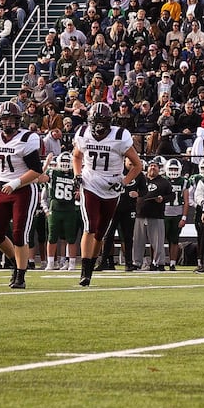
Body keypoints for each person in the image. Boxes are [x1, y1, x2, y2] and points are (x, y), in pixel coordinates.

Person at [0, 103, 46, 289]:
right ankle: (16, 260)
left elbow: (36, 171)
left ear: (18, 120)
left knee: (19, 233)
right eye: (4, 119)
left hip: (23, 189)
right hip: (2, 188)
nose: (8, 123)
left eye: (11, 119)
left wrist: (15, 183)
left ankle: (20, 275)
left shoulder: (27, 138)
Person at [73, 102, 143, 286]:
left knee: (101, 232)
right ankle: (85, 271)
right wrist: (77, 175)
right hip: (90, 184)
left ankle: (91, 265)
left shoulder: (120, 136)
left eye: (101, 122)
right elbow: (76, 156)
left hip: (111, 188)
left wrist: (124, 183)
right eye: (95, 122)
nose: (98, 127)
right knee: (90, 226)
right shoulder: (83, 133)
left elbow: (137, 165)